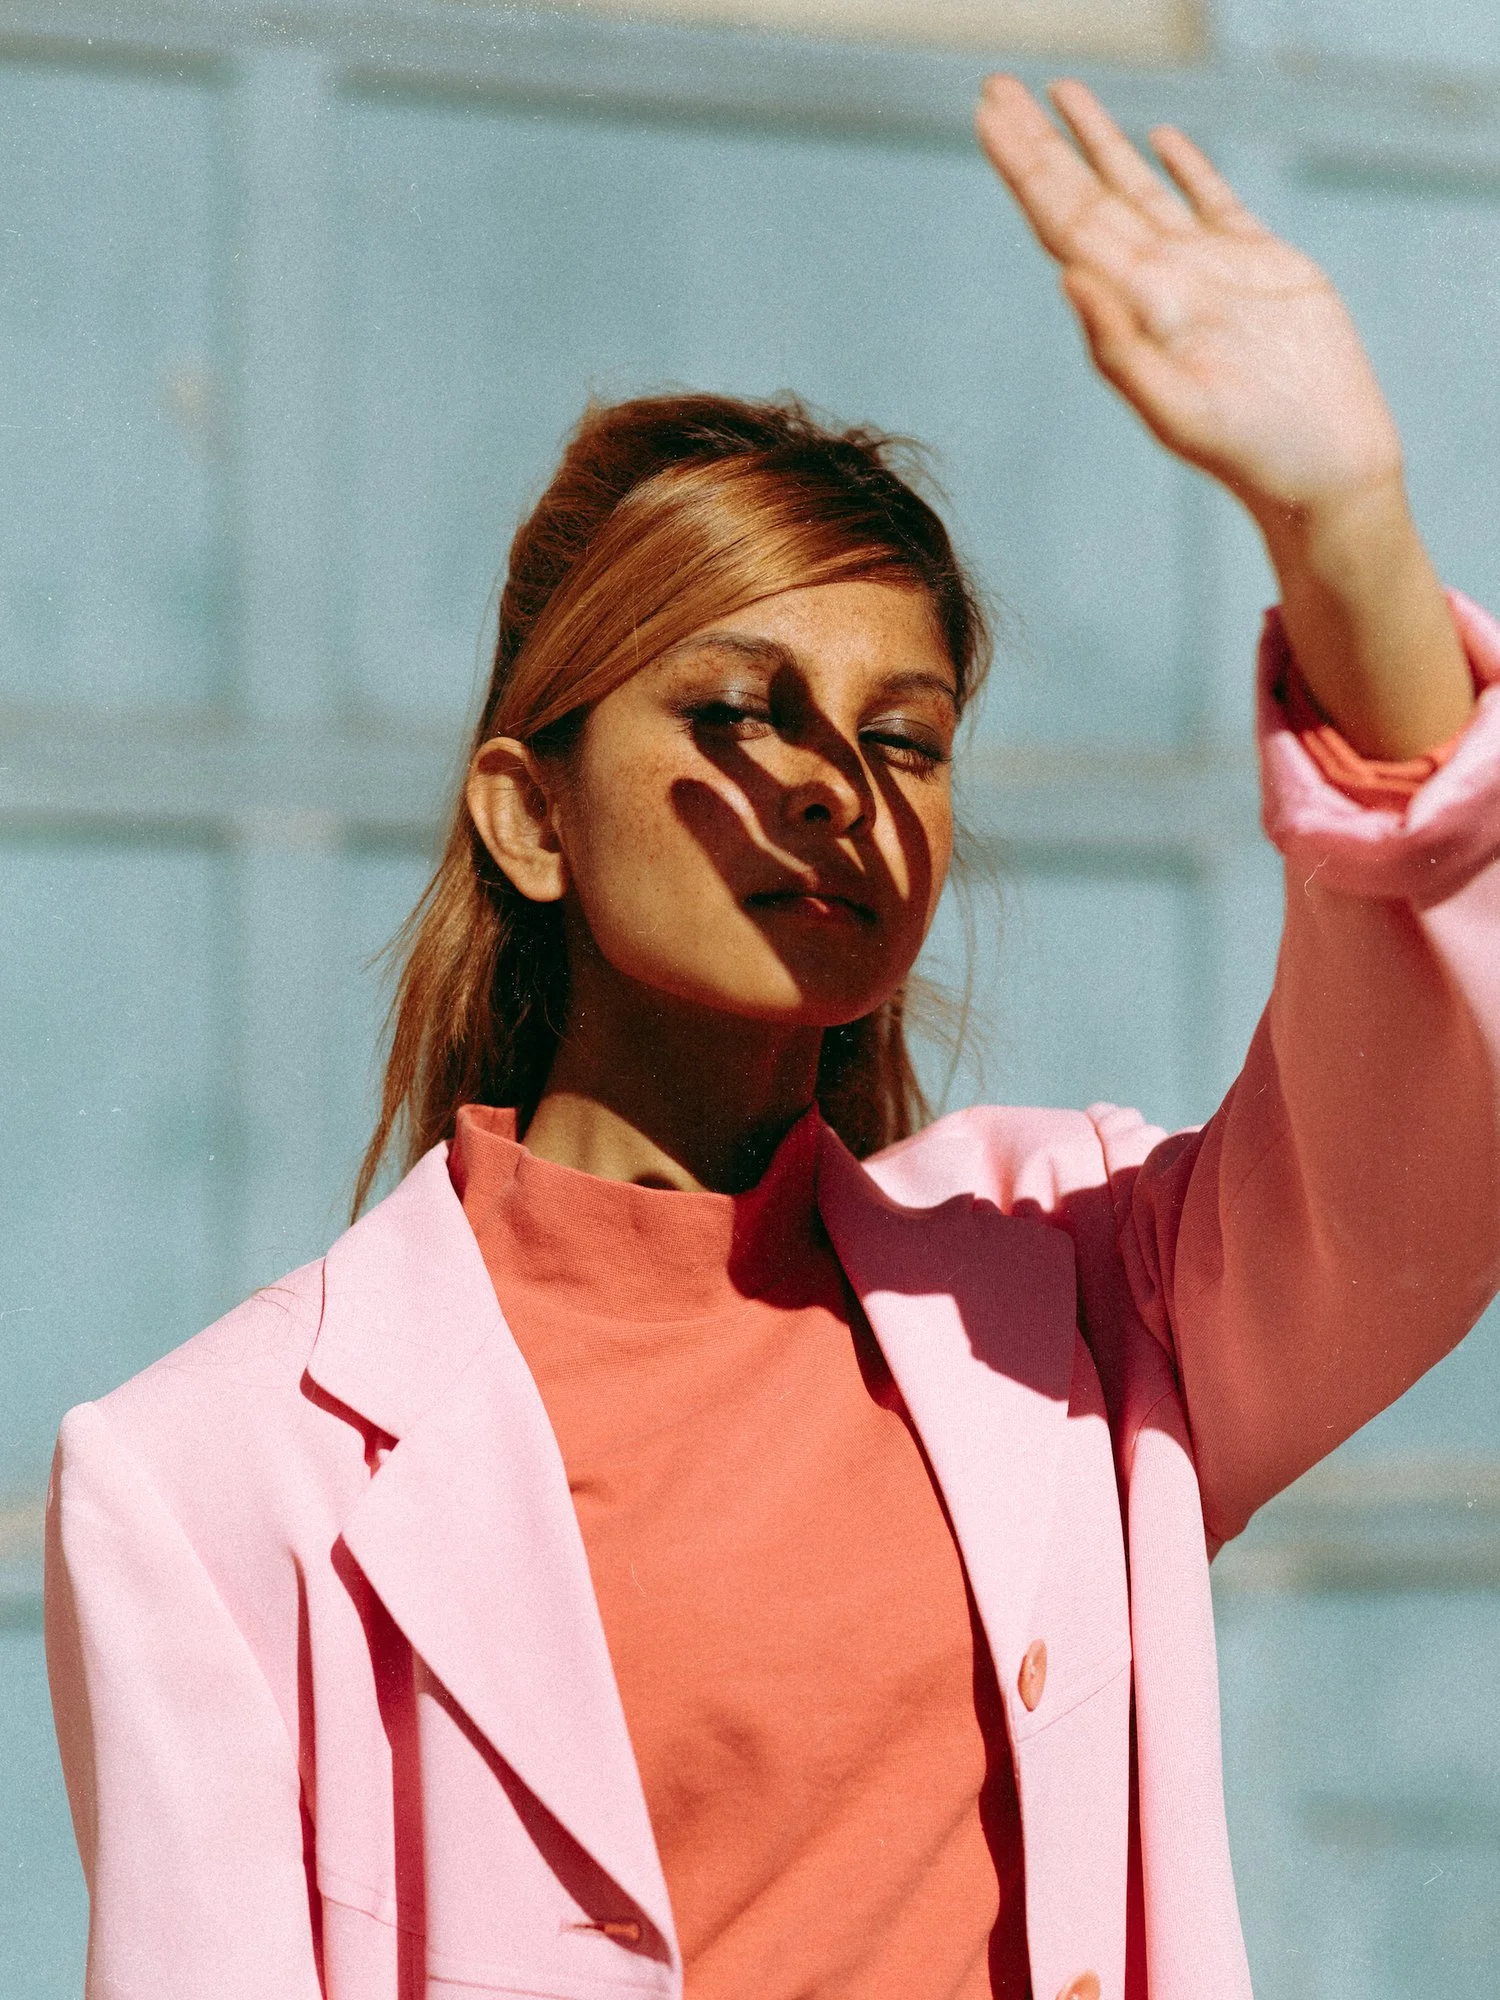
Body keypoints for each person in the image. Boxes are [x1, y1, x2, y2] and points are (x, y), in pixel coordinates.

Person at [43, 73, 1500, 2000]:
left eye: (902, 737)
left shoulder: (1065, 1301)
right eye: (744, 712)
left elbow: (1431, 1151)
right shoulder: (206, 1478)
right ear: (526, 814)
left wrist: (1344, 529)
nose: (835, 786)